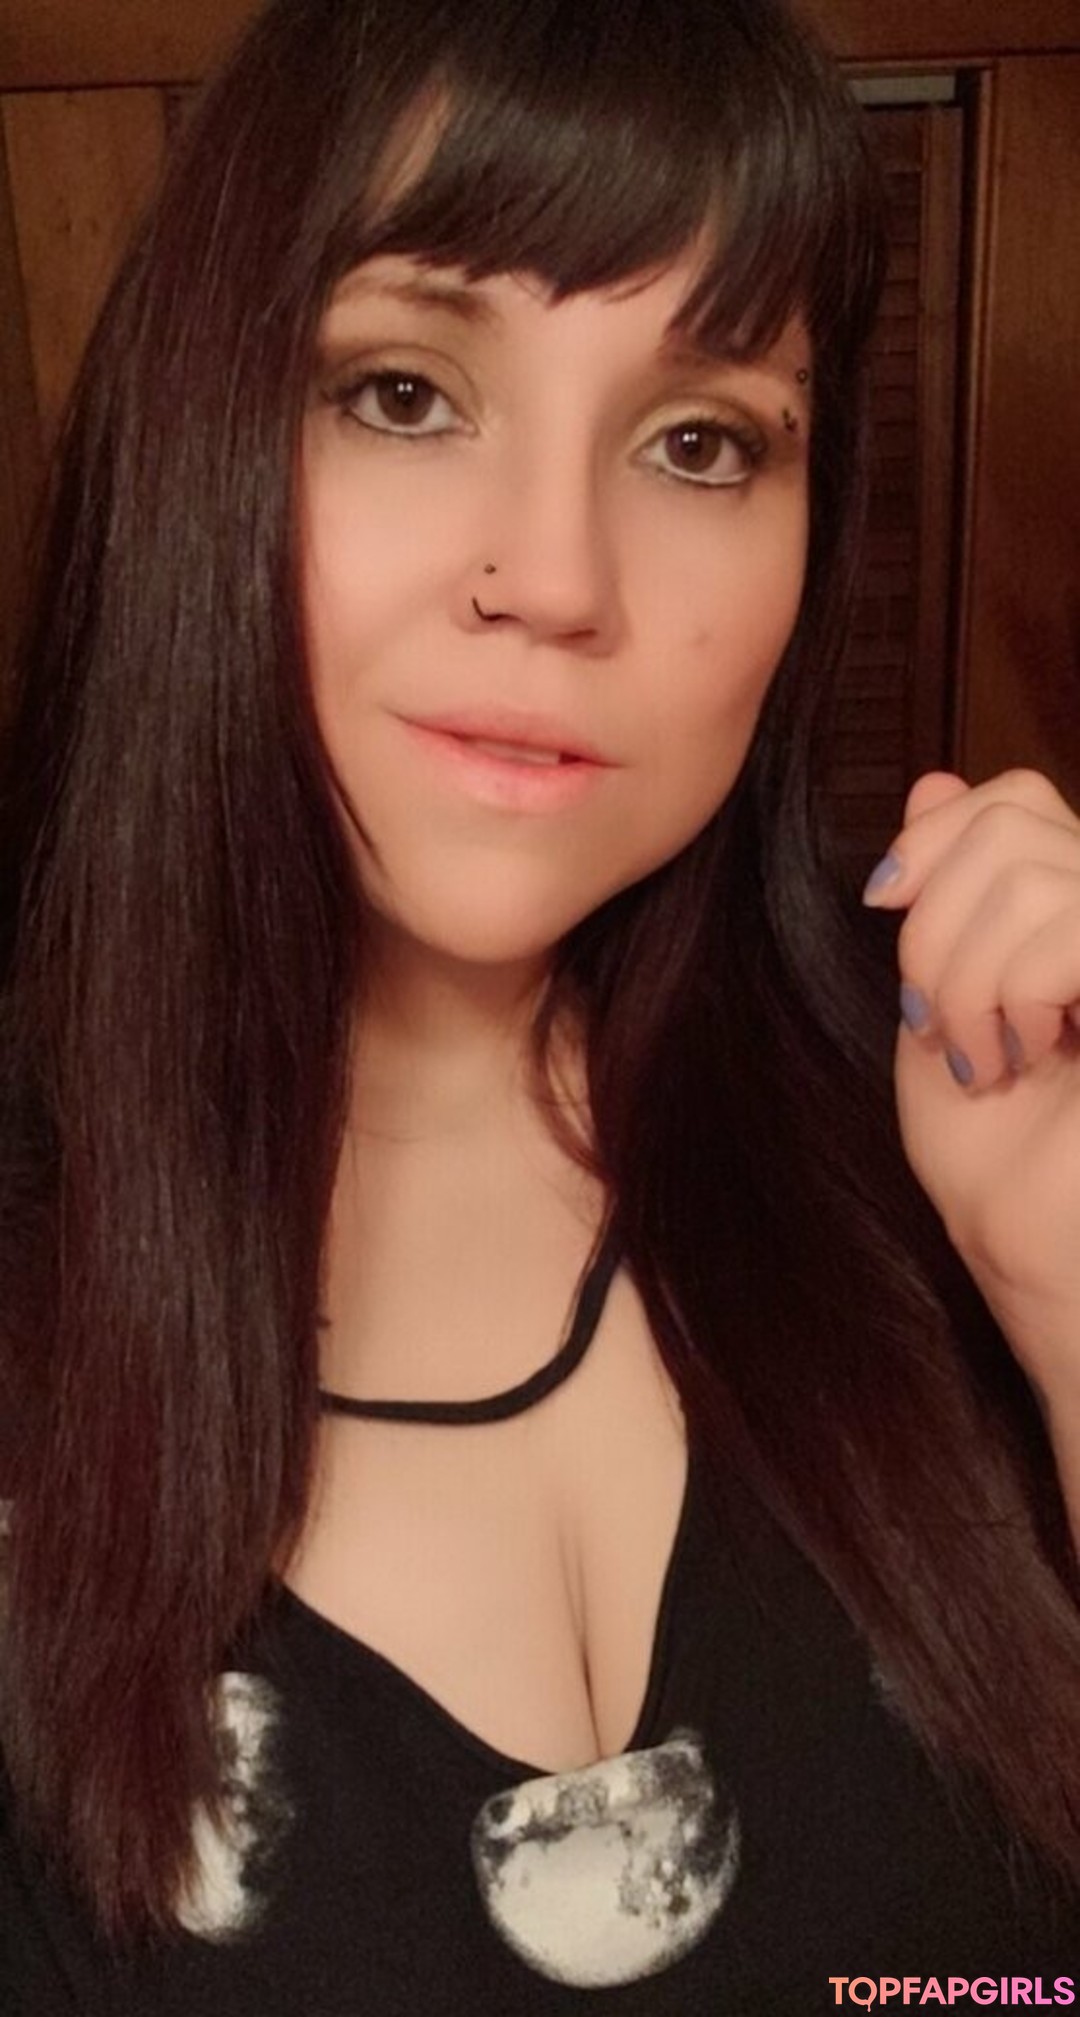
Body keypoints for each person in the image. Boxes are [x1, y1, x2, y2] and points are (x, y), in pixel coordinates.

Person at [1, 0, 1079, 2008]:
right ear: (198, 435)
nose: (560, 577)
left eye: (700, 440)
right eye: (407, 391)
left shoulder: (965, 1118)